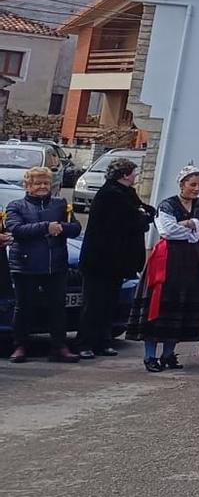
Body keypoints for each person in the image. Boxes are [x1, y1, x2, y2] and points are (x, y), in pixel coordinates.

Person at [139, 165, 199, 371]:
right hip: (168, 260)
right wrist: (197, 226)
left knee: (180, 308)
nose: (196, 189)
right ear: (182, 184)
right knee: (159, 307)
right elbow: (167, 230)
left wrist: (190, 223)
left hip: (191, 263)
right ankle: (149, 356)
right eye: (192, 185)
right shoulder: (167, 205)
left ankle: (169, 354)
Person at [6, 164, 79, 363]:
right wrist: (46, 227)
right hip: (25, 265)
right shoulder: (16, 205)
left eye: (46, 183)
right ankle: (20, 345)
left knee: (57, 308)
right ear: (28, 185)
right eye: (37, 183)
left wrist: (60, 227)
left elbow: (75, 228)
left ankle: (59, 347)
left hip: (55, 265)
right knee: (24, 307)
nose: (42, 186)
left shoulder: (61, 204)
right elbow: (16, 229)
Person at [78, 156, 149, 357]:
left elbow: (146, 212)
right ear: (125, 175)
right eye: (134, 172)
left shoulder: (127, 193)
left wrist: (143, 214)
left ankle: (102, 341)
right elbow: (134, 221)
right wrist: (142, 216)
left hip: (115, 261)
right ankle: (85, 343)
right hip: (99, 260)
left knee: (109, 304)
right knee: (94, 304)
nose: (136, 176)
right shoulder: (110, 194)